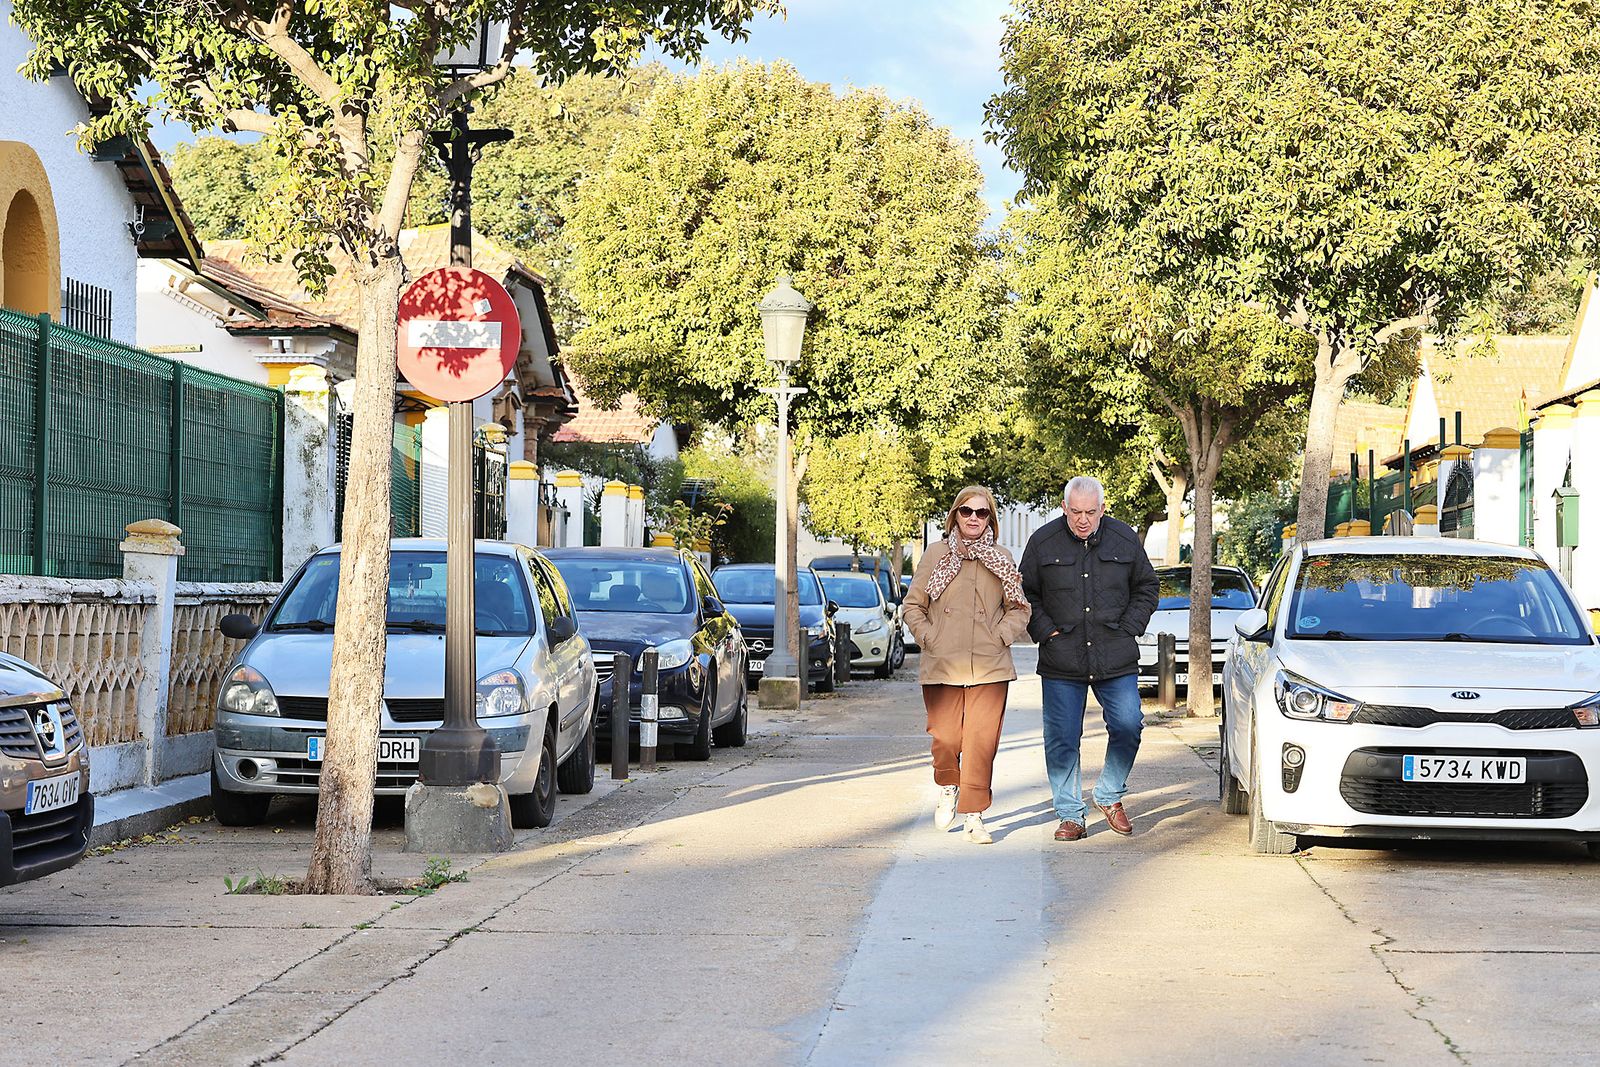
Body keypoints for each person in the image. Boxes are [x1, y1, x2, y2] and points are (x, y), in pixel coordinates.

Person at [1020, 476, 1159, 842]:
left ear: (1103, 509)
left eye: (1091, 512)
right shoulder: (1042, 543)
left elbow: (1147, 586)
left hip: (1115, 655)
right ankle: (1070, 815)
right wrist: (1046, 631)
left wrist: (1130, 626)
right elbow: (1025, 593)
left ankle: (1109, 794)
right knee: (1062, 738)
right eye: (1076, 511)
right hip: (1061, 659)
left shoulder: (1125, 538)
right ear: (1064, 508)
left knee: (1129, 725)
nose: (1083, 519)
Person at [903, 485, 1032, 844]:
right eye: (966, 511)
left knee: (980, 742)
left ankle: (974, 815)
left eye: (982, 512)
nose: (973, 518)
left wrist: (1000, 635)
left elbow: (1020, 608)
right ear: (955, 515)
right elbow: (913, 606)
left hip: (990, 666)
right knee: (945, 738)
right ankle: (948, 784)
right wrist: (929, 637)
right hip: (942, 663)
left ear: (990, 518)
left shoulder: (1001, 556)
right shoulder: (935, 554)